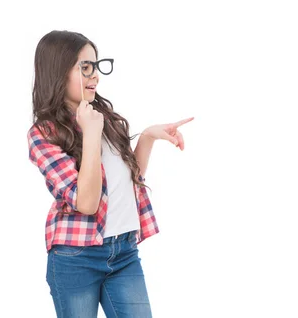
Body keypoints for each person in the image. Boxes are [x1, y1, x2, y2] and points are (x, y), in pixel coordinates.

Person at [27, 30, 193, 318]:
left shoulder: (101, 115)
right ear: (58, 70)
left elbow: (126, 181)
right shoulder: (44, 135)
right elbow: (88, 203)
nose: (96, 76)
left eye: (97, 65)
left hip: (124, 252)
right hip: (75, 256)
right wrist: (91, 136)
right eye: (86, 67)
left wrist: (148, 138)